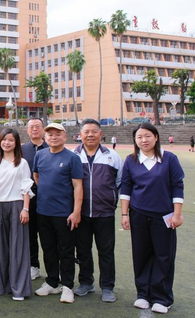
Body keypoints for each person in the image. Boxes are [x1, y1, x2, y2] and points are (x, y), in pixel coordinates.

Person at [120, 123, 184, 314]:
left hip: (164, 216)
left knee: (164, 256)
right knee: (141, 255)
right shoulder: (131, 160)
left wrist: (177, 214)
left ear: (156, 137)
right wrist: (124, 214)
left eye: (147, 136)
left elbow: (177, 186)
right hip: (138, 214)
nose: (144, 140)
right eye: (139, 137)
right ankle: (143, 294)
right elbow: (126, 187)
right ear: (135, 140)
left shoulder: (169, 159)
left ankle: (162, 298)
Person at [72, 119, 124, 303]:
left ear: (101, 134)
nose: (90, 135)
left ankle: (107, 287)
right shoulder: (73, 155)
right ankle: (86, 282)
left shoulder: (112, 156)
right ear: (80, 135)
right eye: (86, 132)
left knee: (106, 251)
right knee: (83, 250)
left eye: (94, 131)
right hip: (81, 213)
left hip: (105, 213)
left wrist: (111, 199)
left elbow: (120, 182)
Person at [33, 123, 83, 304]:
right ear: (45, 137)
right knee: (48, 249)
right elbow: (37, 177)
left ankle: (67, 286)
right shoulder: (40, 155)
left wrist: (76, 211)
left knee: (66, 250)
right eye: (50, 134)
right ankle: (52, 282)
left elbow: (78, 186)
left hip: (64, 213)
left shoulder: (72, 158)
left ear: (65, 136)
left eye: (57, 134)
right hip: (43, 211)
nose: (53, 137)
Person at [0, 128, 33, 301]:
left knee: (18, 248)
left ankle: (19, 289)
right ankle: (3, 286)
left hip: (17, 206)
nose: (7, 143)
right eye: (4, 139)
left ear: (16, 143)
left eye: (11, 140)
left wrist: (25, 208)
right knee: (1, 248)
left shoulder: (22, 163)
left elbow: (26, 187)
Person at [21, 117, 48, 281]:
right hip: (27, 198)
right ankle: (33, 265)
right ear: (27, 130)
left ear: (43, 128)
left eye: (38, 126)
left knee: (47, 235)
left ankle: (53, 269)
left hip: (47, 198)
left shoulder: (51, 147)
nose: (35, 129)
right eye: (31, 127)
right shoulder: (22, 150)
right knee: (30, 234)